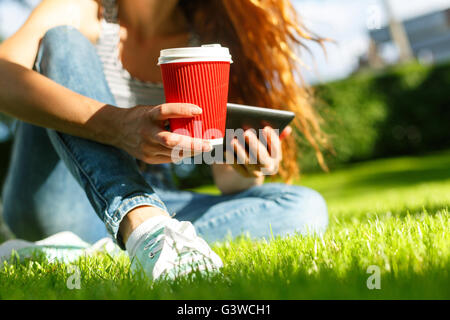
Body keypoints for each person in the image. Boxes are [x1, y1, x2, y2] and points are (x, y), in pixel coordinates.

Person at [0, 0, 328, 280]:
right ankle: (144, 226)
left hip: (157, 198)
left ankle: (100, 249)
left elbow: (226, 180)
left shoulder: (205, 36)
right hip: (59, 200)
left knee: (303, 208)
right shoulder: (82, 9)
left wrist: (247, 165)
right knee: (63, 39)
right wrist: (117, 125)